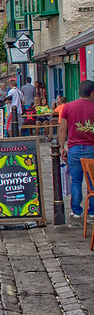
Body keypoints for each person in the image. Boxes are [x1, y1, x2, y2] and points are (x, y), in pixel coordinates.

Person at [59, 80, 94, 219]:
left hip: (74, 148)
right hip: (91, 148)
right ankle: (92, 211)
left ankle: (76, 210)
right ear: (91, 93)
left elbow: (62, 128)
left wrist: (62, 147)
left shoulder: (68, 107)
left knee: (76, 181)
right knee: (92, 181)